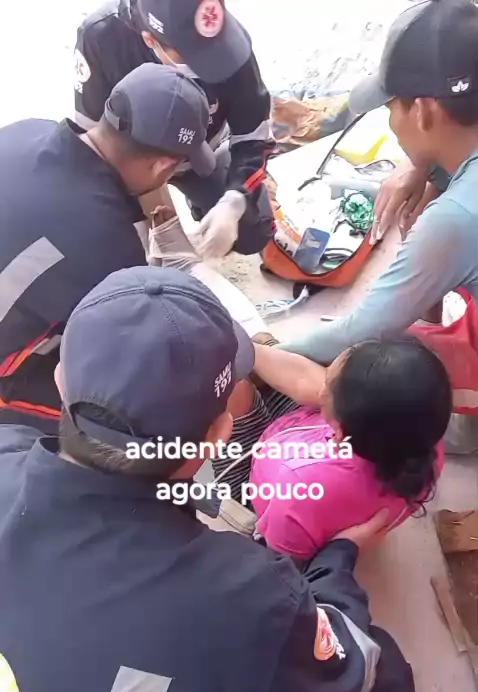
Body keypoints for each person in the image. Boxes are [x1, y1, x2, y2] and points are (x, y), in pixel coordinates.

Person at [0, 265, 418, 692]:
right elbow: (350, 664)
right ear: (221, 433)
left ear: (62, 382)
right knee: (385, 687)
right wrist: (338, 558)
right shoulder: (241, 594)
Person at [0, 62, 214, 433]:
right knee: (122, 418)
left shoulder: (27, 130)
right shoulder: (107, 241)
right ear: (162, 165)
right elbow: (124, 346)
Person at [279, 0, 478, 367]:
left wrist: (253, 356)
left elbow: (359, 333)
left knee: (370, 370)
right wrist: (422, 165)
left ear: (423, 112)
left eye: (390, 108)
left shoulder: (455, 217)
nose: (390, 123)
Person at [212, 337, 452, 561]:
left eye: (327, 382)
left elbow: (283, 566)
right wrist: (247, 347)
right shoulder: (424, 444)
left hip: (259, 484)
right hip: (299, 439)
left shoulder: (299, 491)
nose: (321, 387)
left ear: (339, 431)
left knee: (230, 384)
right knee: (258, 351)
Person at [74, 0, 275, 258]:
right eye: (196, 58)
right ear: (150, 40)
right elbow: (90, 143)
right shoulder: (102, 37)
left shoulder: (226, 43)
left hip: (201, 153)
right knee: (120, 251)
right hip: (132, 163)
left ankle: (201, 199)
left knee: (252, 232)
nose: (212, 65)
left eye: (215, 54)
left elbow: (254, 135)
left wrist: (236, 198)